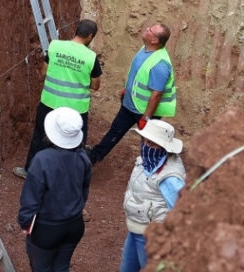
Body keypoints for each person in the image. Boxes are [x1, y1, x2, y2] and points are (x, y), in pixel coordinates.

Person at [14, 19, 102, 179]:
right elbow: (96, 85)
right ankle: (72, 177)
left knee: (40, 136)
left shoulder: (55, 46)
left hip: (50, 102)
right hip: (76, 108)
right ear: (90, 36)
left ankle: (30, 170)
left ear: (76, 30)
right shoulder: (91, 57)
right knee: (76, 141)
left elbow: (43, 73)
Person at [87, 23, 175, 165]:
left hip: (144, 112)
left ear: (154, 41)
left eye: (150, 30)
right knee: (114, 131)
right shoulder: (145, 50)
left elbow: (156, 94)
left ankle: (150, 168)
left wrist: (146, 118)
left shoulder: (160, 65)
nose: (147, 29)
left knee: (148, 142)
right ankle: (94, 156)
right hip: (130, 105)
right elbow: (139, 75)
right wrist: (127, 91)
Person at [17, 107, 92, 272]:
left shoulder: (42, 160)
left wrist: (25, 223)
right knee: (61, 267)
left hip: (46, 230)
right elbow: (84, 190)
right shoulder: (83, 158)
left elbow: (31, 198)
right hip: (74, 226)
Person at [119, 119, 186, 272]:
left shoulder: (170, 177)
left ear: (164, 147)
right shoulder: (146, 161)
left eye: (152, 143)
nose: (146, 146)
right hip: (135, 229)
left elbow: (181, 211)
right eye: (145, 141)